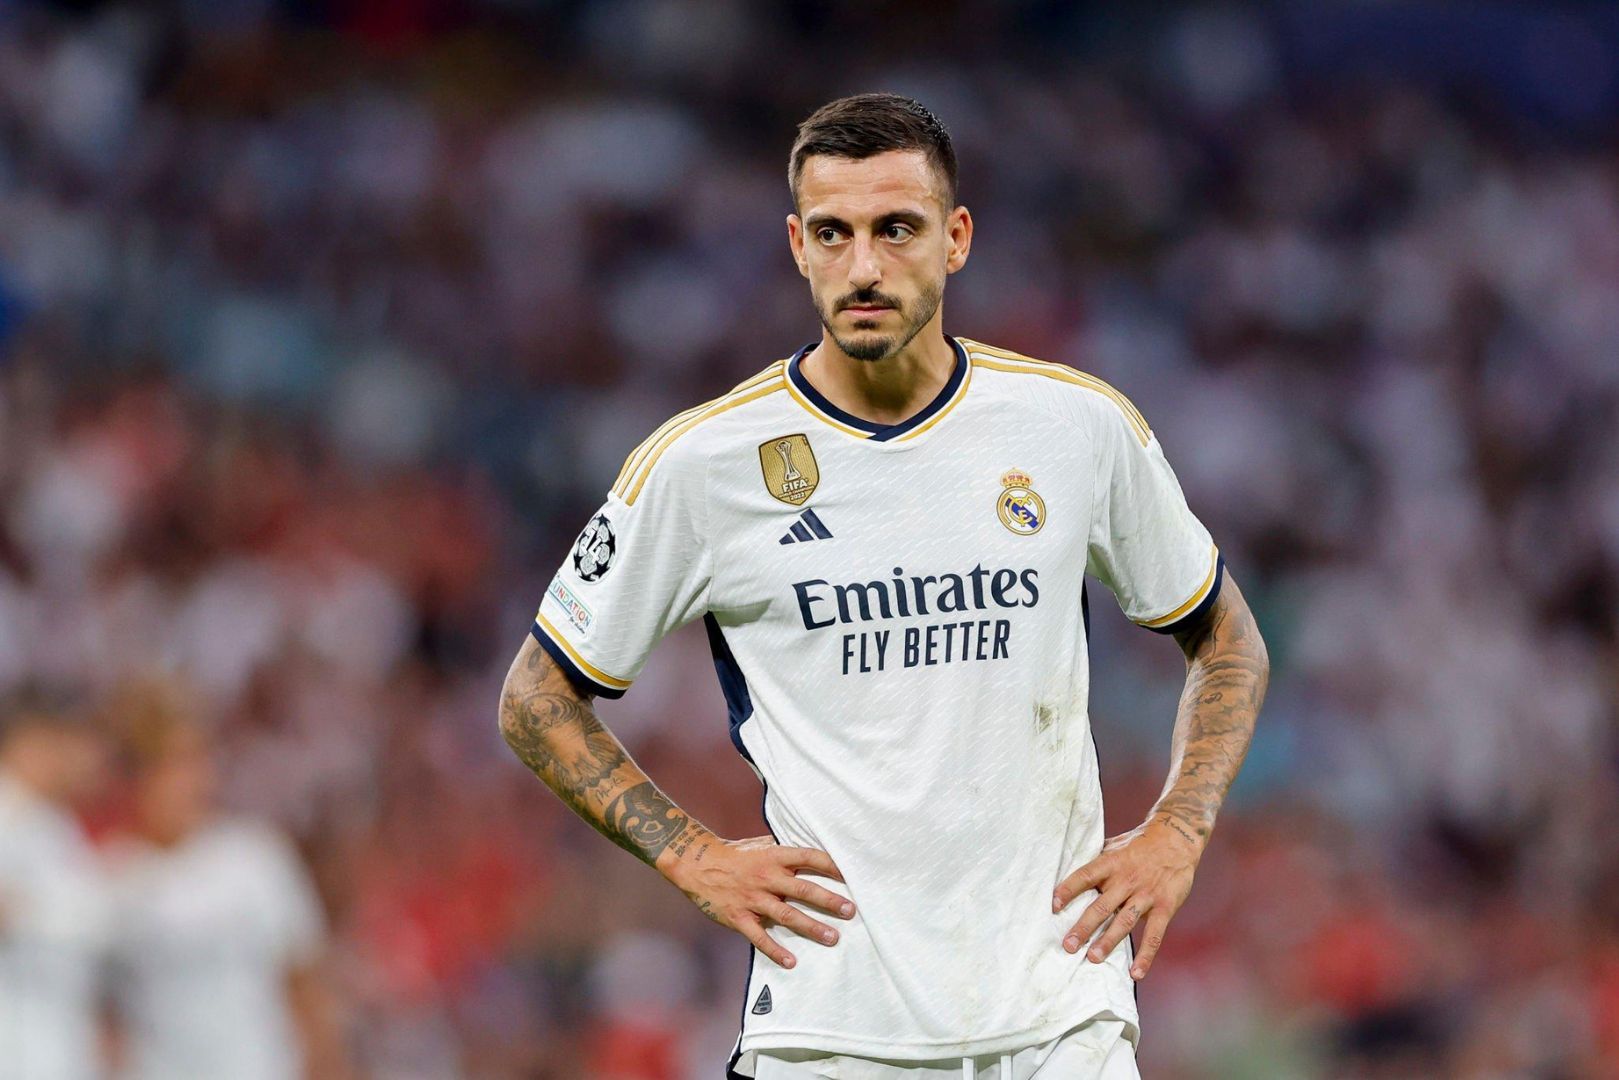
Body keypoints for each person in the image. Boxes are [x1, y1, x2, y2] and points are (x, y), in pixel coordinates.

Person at [499, 93, 1269, 1079]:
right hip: (832, 1028)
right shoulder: (703, 465)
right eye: (833, 233)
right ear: (795, 245)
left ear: (954, 239)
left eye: (895, 229)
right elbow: (534, 697)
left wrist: (1176, 830)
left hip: (1059, 1018)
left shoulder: (1074, 428)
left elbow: (1226, 640)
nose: (862, 266)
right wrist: (695, 858)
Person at [102, 680, 350, 1080]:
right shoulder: (110, 879)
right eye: (173, 765)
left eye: (199, 762)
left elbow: (307, 989)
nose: (194, 781)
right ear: (137, 777)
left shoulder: (255, 859)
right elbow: (101, 1013)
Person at [0, 691, 114, 1080]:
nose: (85, 758)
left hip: (62, 1048)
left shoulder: (55, 827)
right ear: (31, 743)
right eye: (72, 742)